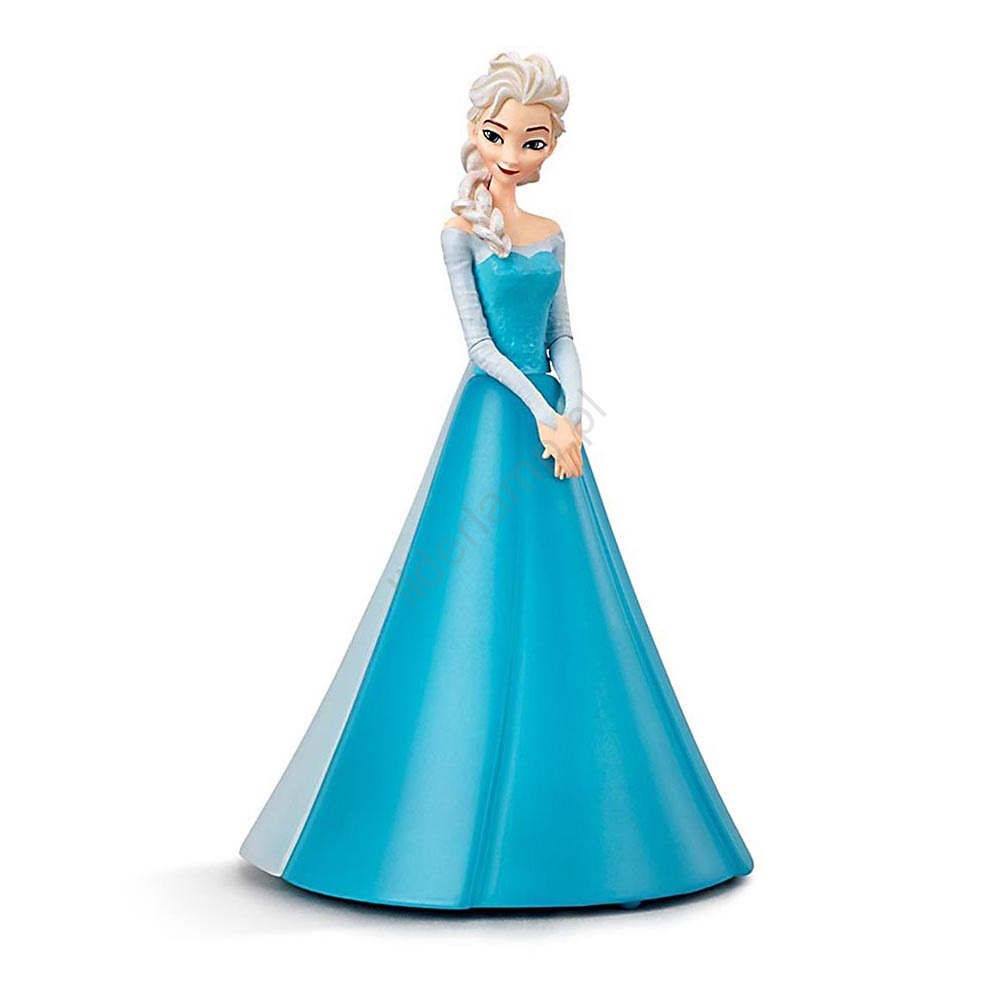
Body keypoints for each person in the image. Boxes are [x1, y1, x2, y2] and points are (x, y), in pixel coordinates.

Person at [240, 51, 753, 910]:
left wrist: (571, 410)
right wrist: (540, 409)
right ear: (477, 134)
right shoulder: (458, 232)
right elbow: (479, 347)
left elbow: (565, 334)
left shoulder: (552, 232)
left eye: (533, 140)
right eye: (498, 135)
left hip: (555, 431)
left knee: (575, 598)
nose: (513, 154)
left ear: (552, 145)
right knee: (462, 587)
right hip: (495, 423)